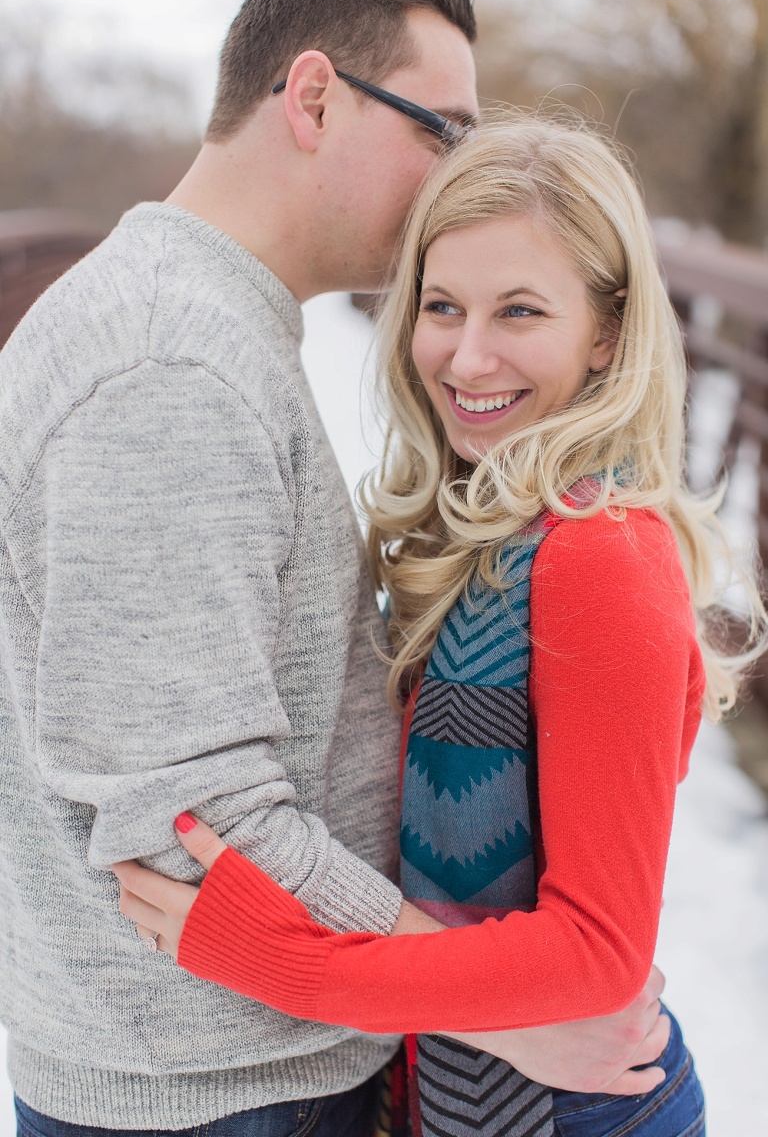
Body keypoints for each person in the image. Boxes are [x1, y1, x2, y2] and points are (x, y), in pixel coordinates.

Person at [0, 0, 671, 1137]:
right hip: (217, 1088)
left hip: (241, 1064)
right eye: (440, 128)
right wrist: (509, 1018)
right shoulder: (173, 366)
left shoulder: (210, 328)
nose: (457, 172)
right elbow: (192, 820)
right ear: (315, 96)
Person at [115, 112, 768, 1137]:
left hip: (577, 1110)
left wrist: (274, 958)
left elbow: (597, 952)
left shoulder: (599, 554)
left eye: (518, 311)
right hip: (460, 1089)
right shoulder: (484, 529)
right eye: (440, 306)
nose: (466, 358)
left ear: (606, 330)